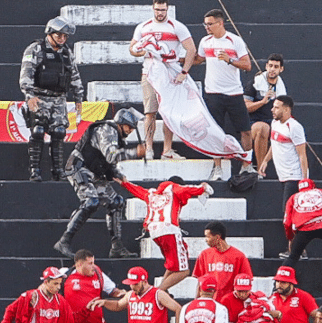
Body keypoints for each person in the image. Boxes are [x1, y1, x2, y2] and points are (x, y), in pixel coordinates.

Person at [53, 107, 145, 259]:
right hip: (79, 167)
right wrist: (135, 152)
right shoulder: (107, 130)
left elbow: (107, 163)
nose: (131, 130)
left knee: (116, 201)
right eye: (129, 127)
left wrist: (117, 174)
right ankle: (64, 241)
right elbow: (111, 155)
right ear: (121, 123)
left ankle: (117, 247)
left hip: (94, 172)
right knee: (91, 201)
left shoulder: (118, 138)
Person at [116, 175, 213, 291]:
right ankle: (157, 293)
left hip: (154, 232)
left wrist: (125, 184)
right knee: (184, 271)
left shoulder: (152, 194)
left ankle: (162, 290)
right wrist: (203, 188)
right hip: (169, 229)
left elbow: (139, 191)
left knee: (172, 265)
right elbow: (185, 189)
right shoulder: (173, 188)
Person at [20, 16, 84, 182]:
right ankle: (35, 170)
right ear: (50, 33)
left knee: (59, 132)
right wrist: (29, 96)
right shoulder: (35, 49)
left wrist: (78, 98)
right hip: (40, 97)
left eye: (65, 36)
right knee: (38, 131)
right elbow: (26, 75)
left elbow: (74, 76)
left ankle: (58, 170)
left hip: (58, 99)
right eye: (59, 36)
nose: (62, 39)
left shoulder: (66, 53)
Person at [194, 9, 256, 180]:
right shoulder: (205, 41)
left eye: (210, 24)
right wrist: (177, 60)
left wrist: (229, 60)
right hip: (213, 93)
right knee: (215, 131)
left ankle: (247, 165)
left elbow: (247, 65)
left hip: (234, 93)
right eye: (205, 24)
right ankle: (217, 168)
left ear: (220, 23)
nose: (206, 27)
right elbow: (198, 59)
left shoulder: (234, 41)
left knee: (245, 130)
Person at [130, 0, 196, 160]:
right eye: (158, 10)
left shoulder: (176, 26)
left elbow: (191, 49)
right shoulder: (143, 26)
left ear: (167, 9)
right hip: (150, 73)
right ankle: (149, 148)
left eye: (163, 10)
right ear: (153, 8)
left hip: (170, 74)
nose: (160, 13)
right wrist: (139, 52)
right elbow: (132, 48)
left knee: (168, 112)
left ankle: (167, 149)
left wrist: (184, 72)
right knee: (150, 112)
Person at [258, 95, 308, 258]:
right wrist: (265, 160)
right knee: (289, 215)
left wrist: (304, 180)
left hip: (294, 177)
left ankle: (297, 250)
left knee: (291, 215)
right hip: (283, 175)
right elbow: (275, 143)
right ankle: (296, 250)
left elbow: (302, 155)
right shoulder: (274, 123)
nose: (273, 110)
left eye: (277, 107)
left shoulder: (295, 127)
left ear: (286, 109)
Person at [282, 178, 322, 297]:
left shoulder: (293, 198)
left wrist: (290, 238)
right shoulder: (320, 192)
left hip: (304, 228)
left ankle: (279, 285)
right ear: (313, 186)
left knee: (293, 257)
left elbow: (286, 222)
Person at [64, 249, 127, 323]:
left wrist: (122, 293)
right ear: (79, 264)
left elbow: (112, 290)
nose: (93, 266)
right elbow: (48, 283)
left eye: (94, 262)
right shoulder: (65, 275)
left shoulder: (98, 273)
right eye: (90, 263)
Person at [244, 53, 287, 169]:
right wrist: (262, 101)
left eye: (276, 67)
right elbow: (246, 107)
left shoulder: (281, 88)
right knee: (263, 128)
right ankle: (260, 169)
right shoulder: (255, 83)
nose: (272, 69)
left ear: (281, 69)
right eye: (271, 66)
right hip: (254, 123)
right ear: (266, 66)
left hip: (273, 122)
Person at [193, 221, 253, 301]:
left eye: (208, 237)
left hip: (231, 303)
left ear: (217, 237)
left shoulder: (239, 256)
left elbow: (246, 282)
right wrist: (196, 302)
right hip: (210, 303)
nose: (206, 240)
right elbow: (200, 282)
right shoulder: (204, 255)